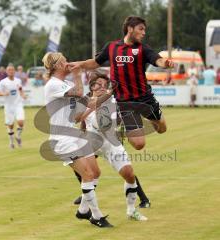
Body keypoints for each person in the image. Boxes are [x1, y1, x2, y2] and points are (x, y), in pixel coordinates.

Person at [69, 16, 174, 150]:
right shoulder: (111, 47)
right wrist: (79, 64)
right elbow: (95, 62)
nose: (144, 33)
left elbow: (157, 59)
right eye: (141, 29)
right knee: (139, 144)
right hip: (125, 102)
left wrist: (165, 63)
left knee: (162, 129)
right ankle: (124, 129)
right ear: (130, 29)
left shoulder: (143, 49)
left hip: (145, 99)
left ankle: (149, 119)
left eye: (144, 30)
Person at [42, 52, 113, 228]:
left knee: (95, 173)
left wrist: (113, 92)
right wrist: (77, 73)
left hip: (73, 134)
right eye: (64, 60)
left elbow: (86, 106)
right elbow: (80, 91)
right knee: (87, 175)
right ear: (57, 65)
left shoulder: (64, 84)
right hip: (62, 139)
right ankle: (96, 216)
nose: (68, 62)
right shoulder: (53, 85)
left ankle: (82, 211)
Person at [74, 73, 150, 221]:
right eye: (98, 84)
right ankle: (85, 210)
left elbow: (123, 116)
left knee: (129, 175)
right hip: (91, 141)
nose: (102, 87)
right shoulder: (86, 101)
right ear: (92, 86)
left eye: (105, 84)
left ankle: (131, 210)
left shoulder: (115, 100)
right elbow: (79, 119)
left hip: (111, 142)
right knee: (91, 175)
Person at [0, 65, 26, 148]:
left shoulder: (18, 80)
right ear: (6, 72)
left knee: (21, 122)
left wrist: (23, 95)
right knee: (11, 125)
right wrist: (4, 93)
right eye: (9, 70)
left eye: (12, 70)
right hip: (8, 106)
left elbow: (20, 89)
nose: (11, 71)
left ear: (14, 71)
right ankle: (11, 142)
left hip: (18, 104)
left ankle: (18, 137)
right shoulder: (3, 82)